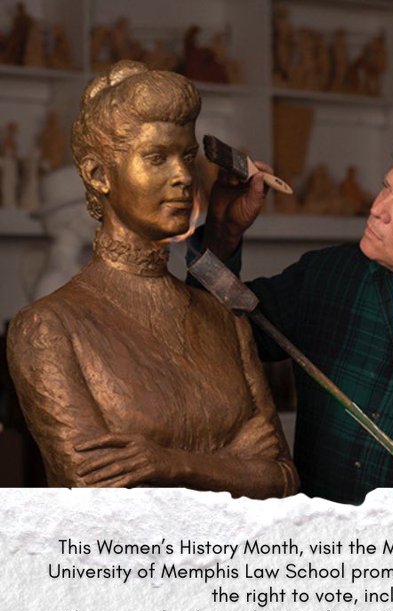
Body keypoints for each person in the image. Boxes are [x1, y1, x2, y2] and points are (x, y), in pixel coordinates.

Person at [6, 61, 297, 496]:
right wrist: (235, 462)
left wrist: (172, 464)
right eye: (157, 158)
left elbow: (283, 479)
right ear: (98, 175)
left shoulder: (225, 320)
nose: (182, 176)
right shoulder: (49, 328)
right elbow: (101, 498)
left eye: (187, 156)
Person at [201, 132, 393, 503]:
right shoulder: (329, 276)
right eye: (385, 188)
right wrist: (223, 233)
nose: (376, 209)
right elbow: (207, 335)